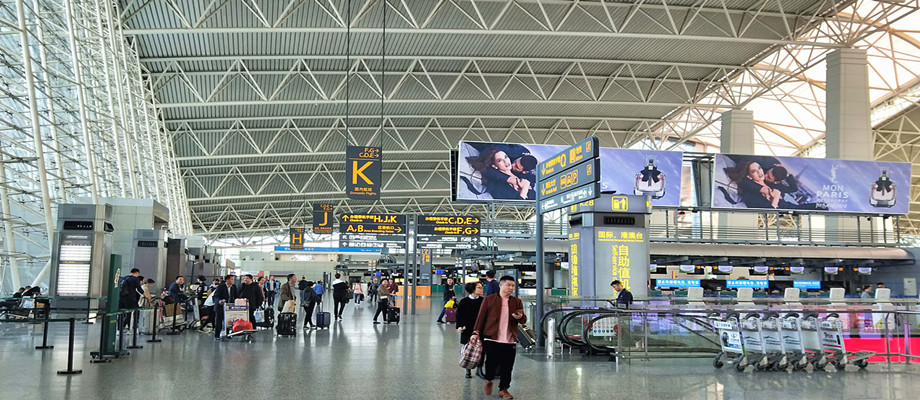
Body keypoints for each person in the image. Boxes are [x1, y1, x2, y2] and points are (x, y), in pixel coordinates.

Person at [471, 275, 527, 399]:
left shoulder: (516, 301)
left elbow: (523, 319)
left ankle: (504, 389)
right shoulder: (489, 299)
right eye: (509, 285)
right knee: (491, 363)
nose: (511, 288)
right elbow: (481, 317)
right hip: (492, 337)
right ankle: (489, 380)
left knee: (508, 366)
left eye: (513, 285)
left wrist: (520, 317)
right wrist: (476, 332)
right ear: (501, 285)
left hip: (509, 338)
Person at [466, 149, 535, 200]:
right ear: (494, 166)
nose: (506, 161)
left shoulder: (523, 178)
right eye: (499, 160)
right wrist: (524, 189)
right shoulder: (496, 185)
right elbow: (514, 209)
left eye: (506, 157)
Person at [456, 282, 485, 378]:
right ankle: (467, 370)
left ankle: (479, 369)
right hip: (467, 328)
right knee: (468, 349)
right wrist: (460, 326)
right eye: (479, 288)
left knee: (481, 350)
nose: (482, 289)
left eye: (481, 287)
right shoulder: (464, 301)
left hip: (481, 328)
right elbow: (459, 315)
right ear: (473, 290)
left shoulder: (483, 301)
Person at [212, 275, 236, 340]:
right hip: (220, 307)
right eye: (231, 279)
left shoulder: (233, 287)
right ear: (227, 280)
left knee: (228, 321)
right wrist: (219, 301)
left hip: (229, 307)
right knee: (219, 321)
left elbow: (235, 296)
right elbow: (216, 296)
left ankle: (227, 334)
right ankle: (217, 335)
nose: (233, 281)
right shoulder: (221, 286)